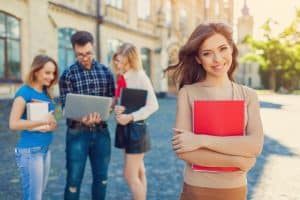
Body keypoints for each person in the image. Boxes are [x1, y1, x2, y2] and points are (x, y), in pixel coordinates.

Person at [166, 22, 264, 200]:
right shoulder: (188, 93)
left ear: (232, 50)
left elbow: (254, 145)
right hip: (196, 189)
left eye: (222, 49)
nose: (217, 59)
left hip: (234, 190)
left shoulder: (248, 95)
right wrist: (237, 160)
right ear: (198, 59)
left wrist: (200, 140)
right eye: (207, 53)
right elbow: (184, 150)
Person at [59, 31, 115, 200]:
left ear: (94, 48)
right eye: (80, 55)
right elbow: (65, 108)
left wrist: (108, 111)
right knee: (73, 181)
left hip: (101, 133)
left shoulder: (106, 72)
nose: (85, 57)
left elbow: (111, 100)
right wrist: (81, 118)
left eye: (88, 53)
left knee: (102, 179)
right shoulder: (67, 75)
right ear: (74, 51)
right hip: (77, 135)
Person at [112, 43, 159, 200]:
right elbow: (126, 102)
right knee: (139, 172)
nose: (118, 64)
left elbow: (153, 105)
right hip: (125, 129)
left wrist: (130, 117)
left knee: (129, 176)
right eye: (116, 60)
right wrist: (118, 108)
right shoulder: (122, 76)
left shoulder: (140, 76)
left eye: (122, 61)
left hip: (135, 130)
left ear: (131, 61)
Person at [9, 54, 59, 200]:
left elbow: (51, 122)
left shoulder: (46, 93)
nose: (51, 77)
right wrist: (41, 122)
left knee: (37, 195)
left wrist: (51, 125)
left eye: (53, 73)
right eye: (47, 72)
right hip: (30, 151)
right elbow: (13, 123)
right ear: (36, 71)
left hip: (45, 149)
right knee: (33, 197)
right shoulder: (24, 92)